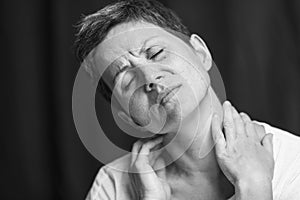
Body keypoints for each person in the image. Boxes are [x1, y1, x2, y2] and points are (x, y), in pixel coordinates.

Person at [74, 0, 300, 199]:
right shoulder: (112, 185)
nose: (150, 78)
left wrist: (254, 185)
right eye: (127, 80)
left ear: (201, 53)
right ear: (127, 117)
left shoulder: (293, 162)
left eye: (155, 53)